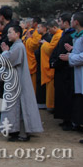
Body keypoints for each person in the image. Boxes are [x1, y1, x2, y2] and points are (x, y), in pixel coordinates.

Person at [0, 25, 43, 142]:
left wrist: (4, 53)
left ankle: (18, 132)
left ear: (18, 33)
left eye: (10, 32)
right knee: (17, 107)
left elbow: (8, 60)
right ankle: (17, 131)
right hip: (15, 81)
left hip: (16, 82)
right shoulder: (17, 46)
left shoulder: (18, 46)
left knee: (16, 107)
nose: (8, 35)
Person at [59, 12, 83, 144]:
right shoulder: (78, 36)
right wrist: (73, 49)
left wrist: (71, 57)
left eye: (72, 19)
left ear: (76, 23)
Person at [50, 13, 75, 130]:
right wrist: (53, 61)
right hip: (59, 69)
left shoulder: (70, 36)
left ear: (66, 22)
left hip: (65, 70)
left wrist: (56, 62)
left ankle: (68, 120)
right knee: (60, 94)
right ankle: (64, 118)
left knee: (66, 95)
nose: (58, 23)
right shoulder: (64, 35)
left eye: (59, 21)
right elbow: (56, 50)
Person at [40, 19, 62, 111]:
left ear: (55, 27)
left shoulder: (58, 35)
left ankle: (52, 106)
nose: (48, 31)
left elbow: (50, 50)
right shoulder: (55, 35)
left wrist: (45, 44)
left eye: (49, 29)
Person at [24, 17, 42, 92]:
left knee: (33, 83)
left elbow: (33, 45)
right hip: (29, 59)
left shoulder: (36, 33)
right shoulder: (33, 32)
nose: (30, 23)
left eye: (31, 22)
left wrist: (28, 39)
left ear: (35, 23)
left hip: (33, 60)